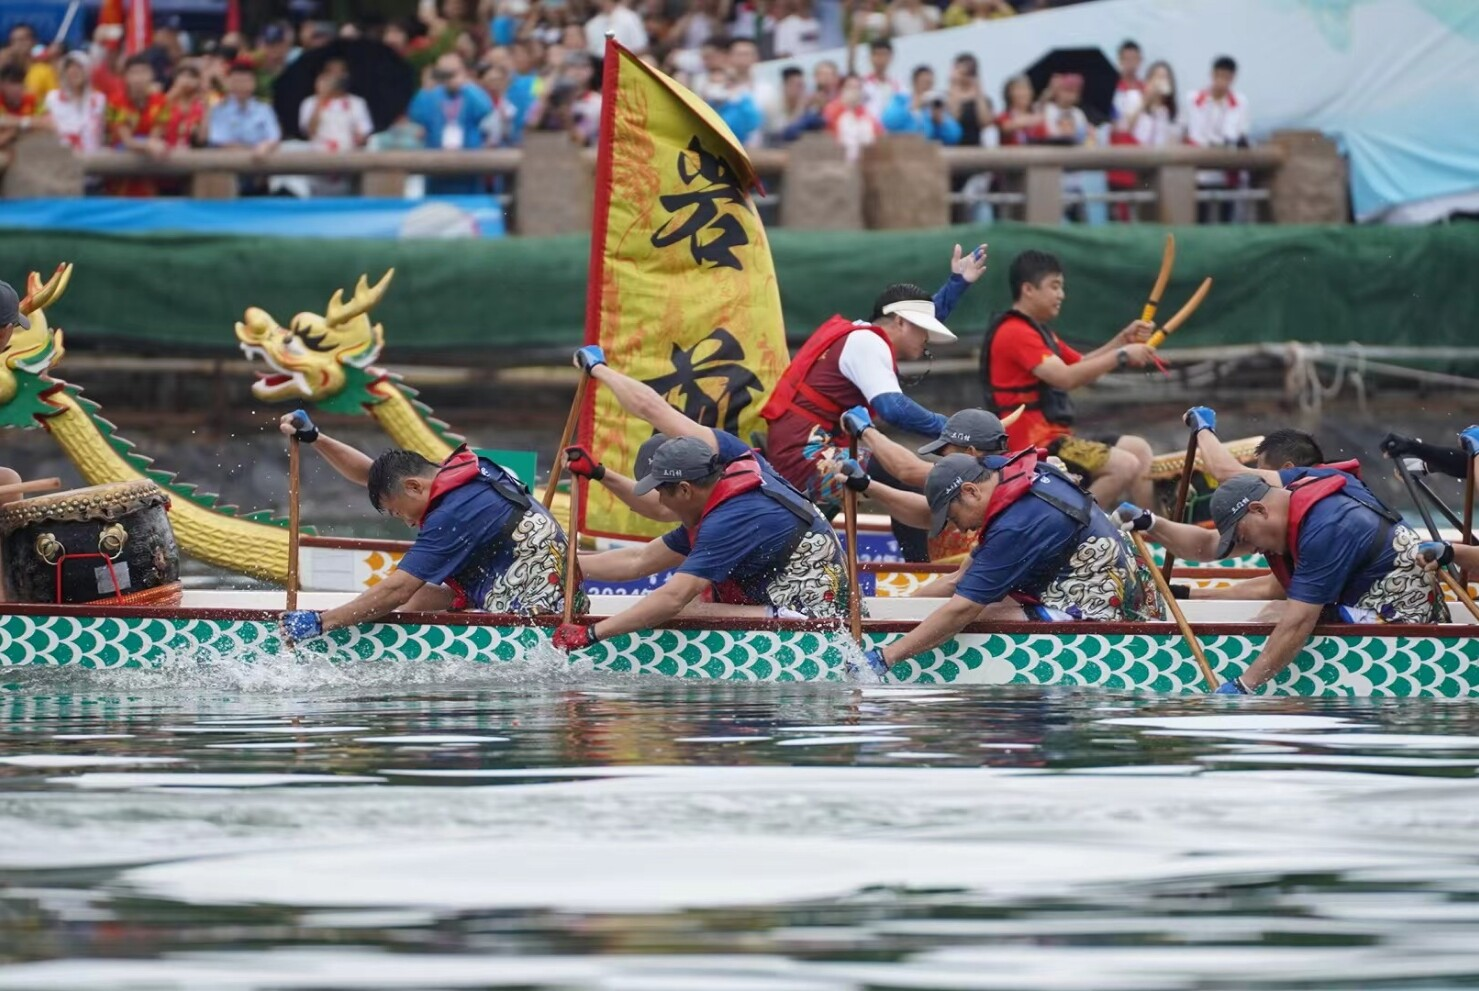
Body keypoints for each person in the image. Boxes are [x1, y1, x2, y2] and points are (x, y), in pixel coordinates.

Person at [854, 450, 1163, 679]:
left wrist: (886, 657)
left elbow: (962, 609)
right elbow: (960, 580)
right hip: (1129, 598)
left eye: (953, 516)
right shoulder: (1025, 476)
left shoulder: (1016, 525)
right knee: (975, 602)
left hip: (1106, 617)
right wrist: (893, 611)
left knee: (973, 613)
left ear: (970, 491)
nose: (959, 528)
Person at [276, 411, 581, 643]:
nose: (408, 522)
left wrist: (321, 623)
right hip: (549, 592)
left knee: (401, 594)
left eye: (398, 513)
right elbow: (372, 475)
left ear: (414, 487)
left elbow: (397, 590)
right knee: (417, 599)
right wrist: (315, 437)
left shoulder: (452, 514)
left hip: (537, 622)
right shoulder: (459, 473)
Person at [552, 433, 849, 652]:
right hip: (811, 603)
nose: (658, 502)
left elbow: (672, 599)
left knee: (682, 607)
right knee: (685, 603)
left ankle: (782, 617)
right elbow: (639, 561)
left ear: (684, 490)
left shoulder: (728, 521)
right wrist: (562, 564)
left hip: (815, 627)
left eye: (660, 492)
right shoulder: (721, 490)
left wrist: (590, 635)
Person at [761, 244, 989, 519]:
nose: (927, 338)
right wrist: (956, 431)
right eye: (923, 329)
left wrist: (957, 285)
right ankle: (924, 548)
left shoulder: (862, 335)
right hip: (804, 455)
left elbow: (919, 321)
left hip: (810, 448)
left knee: (899, 472)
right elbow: (894, 409)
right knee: (904, 475)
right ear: (900, 322)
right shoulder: (868, 343)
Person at [1205, 472, 1445, 695]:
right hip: (1390, 609)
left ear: (1259, 509)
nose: (1253, 550)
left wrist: (1244, 686)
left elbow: (1299, 622)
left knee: (1285, 614)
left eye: (1244, 537)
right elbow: (1280, 592)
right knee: (1281, 610)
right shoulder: (1310, 497)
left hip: (1406, 628)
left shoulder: (1326, 526)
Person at [979, 249, 1156, 508]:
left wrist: (1122, 341)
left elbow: (1081, 365)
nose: (1061, 294)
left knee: (1138, 448)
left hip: (1055, 439)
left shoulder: (1037, 331)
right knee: (1123, 465)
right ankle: (1079, 528)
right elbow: (1065, 378)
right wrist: (1122, 355)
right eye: (1054, 286)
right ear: (1028, 289)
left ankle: (1152, 530)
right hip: (1031, 446)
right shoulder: (1015, 332)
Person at [1115, 412, 1331, 603]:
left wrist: (1203, 429)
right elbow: (1206, 545)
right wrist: (1151, 522)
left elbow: (1227, 474)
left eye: (1261, 474)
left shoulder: (1321, 501)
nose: (1256, 484)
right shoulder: (1275, 522)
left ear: (1288, 470)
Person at [832, 406, 1014, 532]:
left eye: (945, 456)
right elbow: (929, 516)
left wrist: (865, 430)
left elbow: (907, 471)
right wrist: (867, 485)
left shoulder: (976, 474)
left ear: (970, 453)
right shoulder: (997, 475)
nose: (943, 464)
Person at [1185, 55, 1249, 222]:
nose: (1221, 81)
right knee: (1200, 217)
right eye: (1218, 76)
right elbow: (1187, 130)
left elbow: (1241, 132)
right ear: (1212, 74)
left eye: (1226, 77)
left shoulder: (1240, 103)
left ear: (1233, 78)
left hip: (1226, 169)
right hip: (1199, 170)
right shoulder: (1194, 99)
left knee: (1226, 217)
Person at [208, 59, 280, 154]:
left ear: (254, 83)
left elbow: (274, 137)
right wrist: (251, 151)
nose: (241, 86)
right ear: (229, 83)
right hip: (229, 160)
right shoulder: (219, 110)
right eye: (237, 81)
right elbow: (220, 141)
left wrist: (265, 146)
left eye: (245, 81)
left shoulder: (264, 109)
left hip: (260, 159)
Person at [299, 59, 373, 152]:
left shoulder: (357, 103)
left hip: (348, 155)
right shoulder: (309, 102)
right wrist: (321, 98)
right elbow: (310, 131)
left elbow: (364, 134)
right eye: (332, 72)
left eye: (341, 72)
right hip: (318, 155)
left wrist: (360, 138)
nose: (337, 76)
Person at [42, 51, 107, 154]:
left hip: (93, 159)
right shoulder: (52, 98)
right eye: (70, 67)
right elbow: (43, 124)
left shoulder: (99, 100)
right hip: (61, 157)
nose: (74, 71)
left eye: (79, 67)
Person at [882, 66, 961, 145]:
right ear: (914, 82)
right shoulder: (901, 100)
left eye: (931, 83)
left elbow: (954, 136)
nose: (928, 86)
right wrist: (911, 108)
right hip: (901, 147)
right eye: (925, 82)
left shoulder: (933, 106)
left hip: (925, 149)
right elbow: (889, 121)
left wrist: (941, 122)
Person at [824, 74, 882, 163]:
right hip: (834, 157)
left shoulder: (866, 113)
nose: (854, 91)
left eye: (857, 88)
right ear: (842, 89)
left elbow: (879, 133)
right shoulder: (831, 109)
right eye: (850, 88)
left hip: (862, 159)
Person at [7, 24, 56, 102]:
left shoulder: (45, 70)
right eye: (14, 41)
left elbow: (55, 100)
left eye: (23, 39)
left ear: (34, 42)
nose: (19, 44)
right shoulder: (5, 72)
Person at [584, 0, 649, 57]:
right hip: (599, 64)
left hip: (626, 62)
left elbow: (641, 48)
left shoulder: (630, 18)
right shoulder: (591, 25)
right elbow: (590, 52)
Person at [995, 74, 1044, 146]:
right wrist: (1031, 119)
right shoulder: (1004, 116)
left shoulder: (1038, 116)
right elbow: (1006, 127)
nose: (1023, 93)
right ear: (1009, 94)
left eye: (1026, 89)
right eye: (1019, 89)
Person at [861, 39, 899, 121]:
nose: (880, 59)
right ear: (870, 57)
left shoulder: (898, 86)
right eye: (877, 55)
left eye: (883, 55)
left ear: (890, 57)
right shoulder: (862, 84)